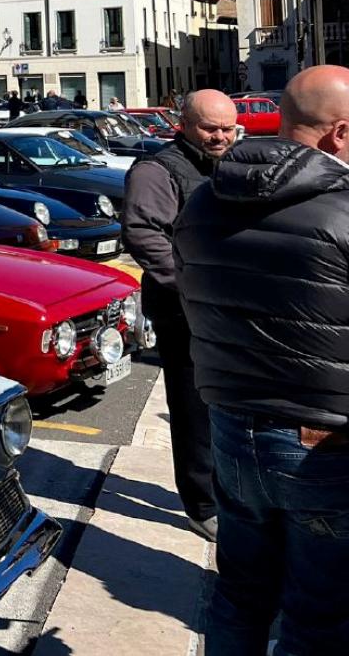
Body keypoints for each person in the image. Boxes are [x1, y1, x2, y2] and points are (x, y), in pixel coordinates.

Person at [174, 66, 349, 656]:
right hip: (321, 441)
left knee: (240, 595)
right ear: (339, 134)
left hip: (232, 425)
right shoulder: (342, 208)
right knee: (320, 613)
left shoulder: (204, 199)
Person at [122, 89, 236, 543]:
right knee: (193, 410)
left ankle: (227, 492)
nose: (221, 136)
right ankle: (202, 506)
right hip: (184, 310)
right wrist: (197, 284)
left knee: (226, 406)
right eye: (210, 128)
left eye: (228, 128)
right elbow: (143, 236)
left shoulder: (228, 162)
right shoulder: (156, 170)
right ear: (183, 124)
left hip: (226, 309)